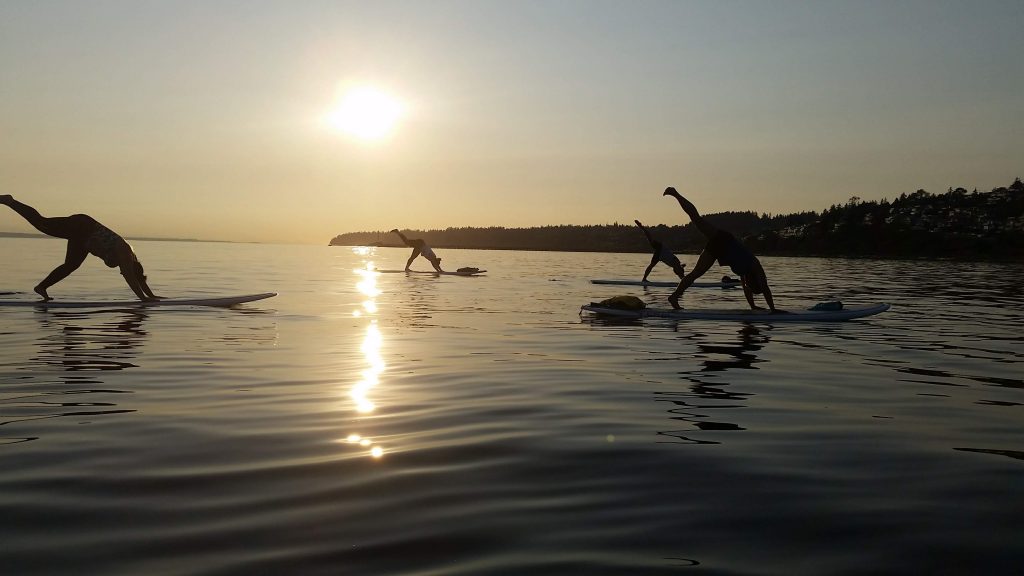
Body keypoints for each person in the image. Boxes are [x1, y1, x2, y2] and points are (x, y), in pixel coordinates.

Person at [0, 195, 160, 301]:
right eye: (124, 269)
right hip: (82, 227)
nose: (121, 270)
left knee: (71, 265)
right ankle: (10, 201)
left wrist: (152, 296)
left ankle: (41, 287)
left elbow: (138, 278)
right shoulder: (125, 254)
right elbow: (130, 278)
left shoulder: (132, 260)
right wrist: (144, 300)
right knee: (43, 223)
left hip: (84, 237)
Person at [662, 187, 777, 311]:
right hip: (724, 240)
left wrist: (753, 306)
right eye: (750, 284)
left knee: (696, 273)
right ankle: (675, 194)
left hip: (719, 251)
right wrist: (773, 309)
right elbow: (765, 287)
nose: (747, 285)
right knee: (697, 219)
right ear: (755, 281)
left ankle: (674, 297)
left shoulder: (745, 275)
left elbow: (746, 288)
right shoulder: (755, 265)